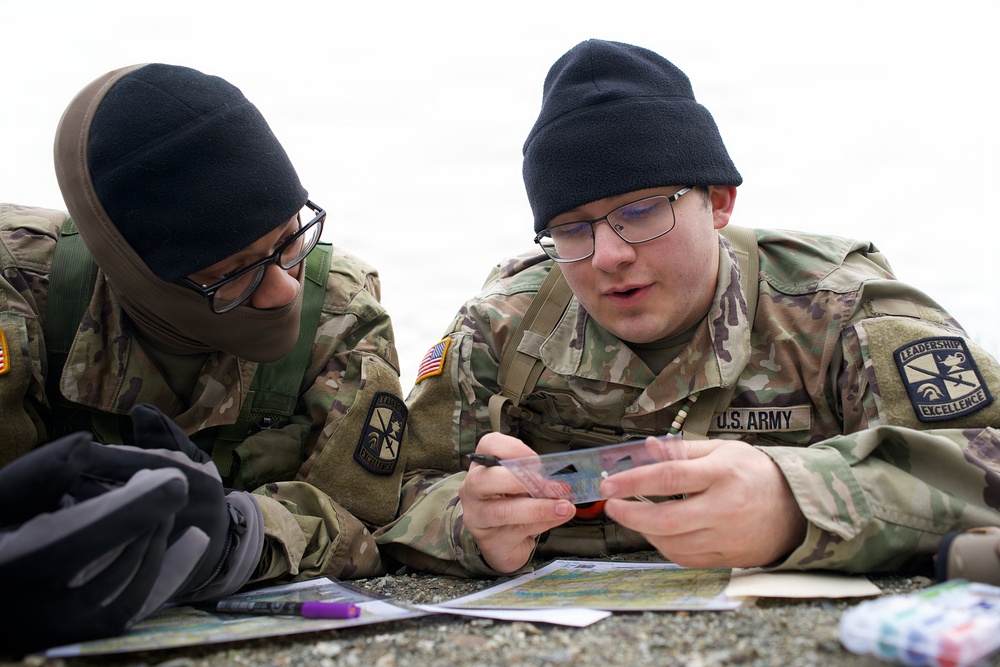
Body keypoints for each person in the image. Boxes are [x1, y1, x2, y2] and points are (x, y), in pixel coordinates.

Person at [373, 39, 1000, 578]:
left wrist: (794, 502)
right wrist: (471, 526)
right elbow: (389, 495)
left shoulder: (841, 308)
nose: (607, 255)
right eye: (571, 228)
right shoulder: (501, 328)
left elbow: (981, 464)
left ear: (719, 202)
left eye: (642, 210)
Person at [0, 63, 406, 653]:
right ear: (132, 272)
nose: (283, 289)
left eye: (290, 239)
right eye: (229, 275)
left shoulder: (339, 310)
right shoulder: (21, 296)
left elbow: (369, 516)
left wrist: (236, 536)